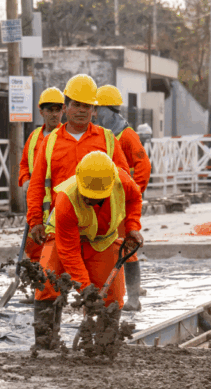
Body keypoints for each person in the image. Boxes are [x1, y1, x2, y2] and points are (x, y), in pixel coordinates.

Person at [34, 151, 143, 349]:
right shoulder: (66, 200)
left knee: (112, 294)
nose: (91, 202)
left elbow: (135, 199)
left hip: (103, 240)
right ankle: (45, 344)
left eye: (97, 198)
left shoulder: (122, 182)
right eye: (87, 198)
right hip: (62, 238)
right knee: (48, 280)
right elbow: (69, 252)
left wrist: (132, 227)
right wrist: (86, 290)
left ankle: (104, 345)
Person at [27, 74, 130, 249]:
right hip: (61, 228)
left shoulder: (108, 139)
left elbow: (125, 184)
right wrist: (35, 220)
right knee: (53, 276)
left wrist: (128, 226)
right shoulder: (50, 142)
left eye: (86, 106)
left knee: (102, 277)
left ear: (93, 110)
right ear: (65, 108)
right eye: (76, 104)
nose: (82, 110)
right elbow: (37, 184)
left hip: (100, 234)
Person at [95, 84, 152, 311]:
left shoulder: (126, 136)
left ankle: (133, 298)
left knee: (127, 245)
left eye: (98, 110)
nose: (95, 114)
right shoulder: (101, 134)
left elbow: (143, 165)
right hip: (101, 202)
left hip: (122, 202)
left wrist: (133, 193)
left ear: (109, 111)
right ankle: (107, 292)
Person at [19, 87, 65, 263]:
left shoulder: (65, 136)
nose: (54, 114)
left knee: (59, 248)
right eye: (50, 110)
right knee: (34, 246)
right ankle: (37, 283)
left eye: (58, 110)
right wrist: (25, 180)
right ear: (41, 112)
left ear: (63, 111)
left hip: (57, 203)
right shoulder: (34, 137)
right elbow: (24, 164)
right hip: (37, 203)